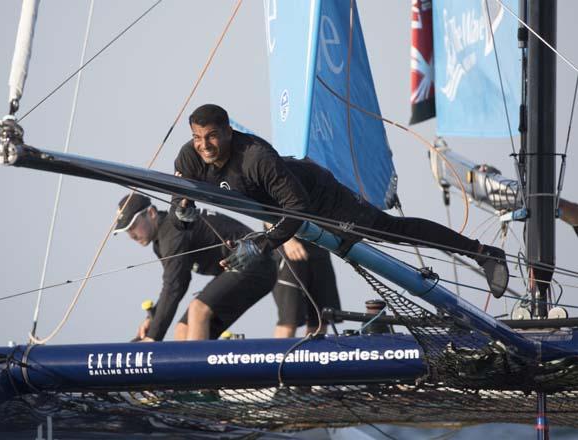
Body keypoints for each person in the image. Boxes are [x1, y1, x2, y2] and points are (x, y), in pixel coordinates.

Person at [172, 104, 510, 298]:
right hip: (274, 206)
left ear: (228, 131)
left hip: (318, 196)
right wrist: (181, 212)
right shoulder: (191, 156)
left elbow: (298, 208)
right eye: (198, 137)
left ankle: (483, 253)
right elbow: (178, 197)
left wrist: (263, 243)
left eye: (212, 136)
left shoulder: (256, 157)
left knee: (387, 230)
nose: (205, 145)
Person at [114, 193, 277, 341]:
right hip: (239, 269)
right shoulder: (161, 241)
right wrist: (153, 319)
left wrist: (152, 338)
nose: (131, 235)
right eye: (127, 231)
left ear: (151, 213)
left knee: (198, 310)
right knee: (182, 329)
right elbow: (177, 282)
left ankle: (196, 373)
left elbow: (174, 286)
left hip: (256, 263)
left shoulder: (172, 231)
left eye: (133, 225)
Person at [268, 227, 341, 338]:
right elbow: (267, 213)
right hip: (288, 250)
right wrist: (288, 241)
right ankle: (281, 355)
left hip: (320, 248)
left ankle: (314, 354)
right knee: (289, 320)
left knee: (321, 319)